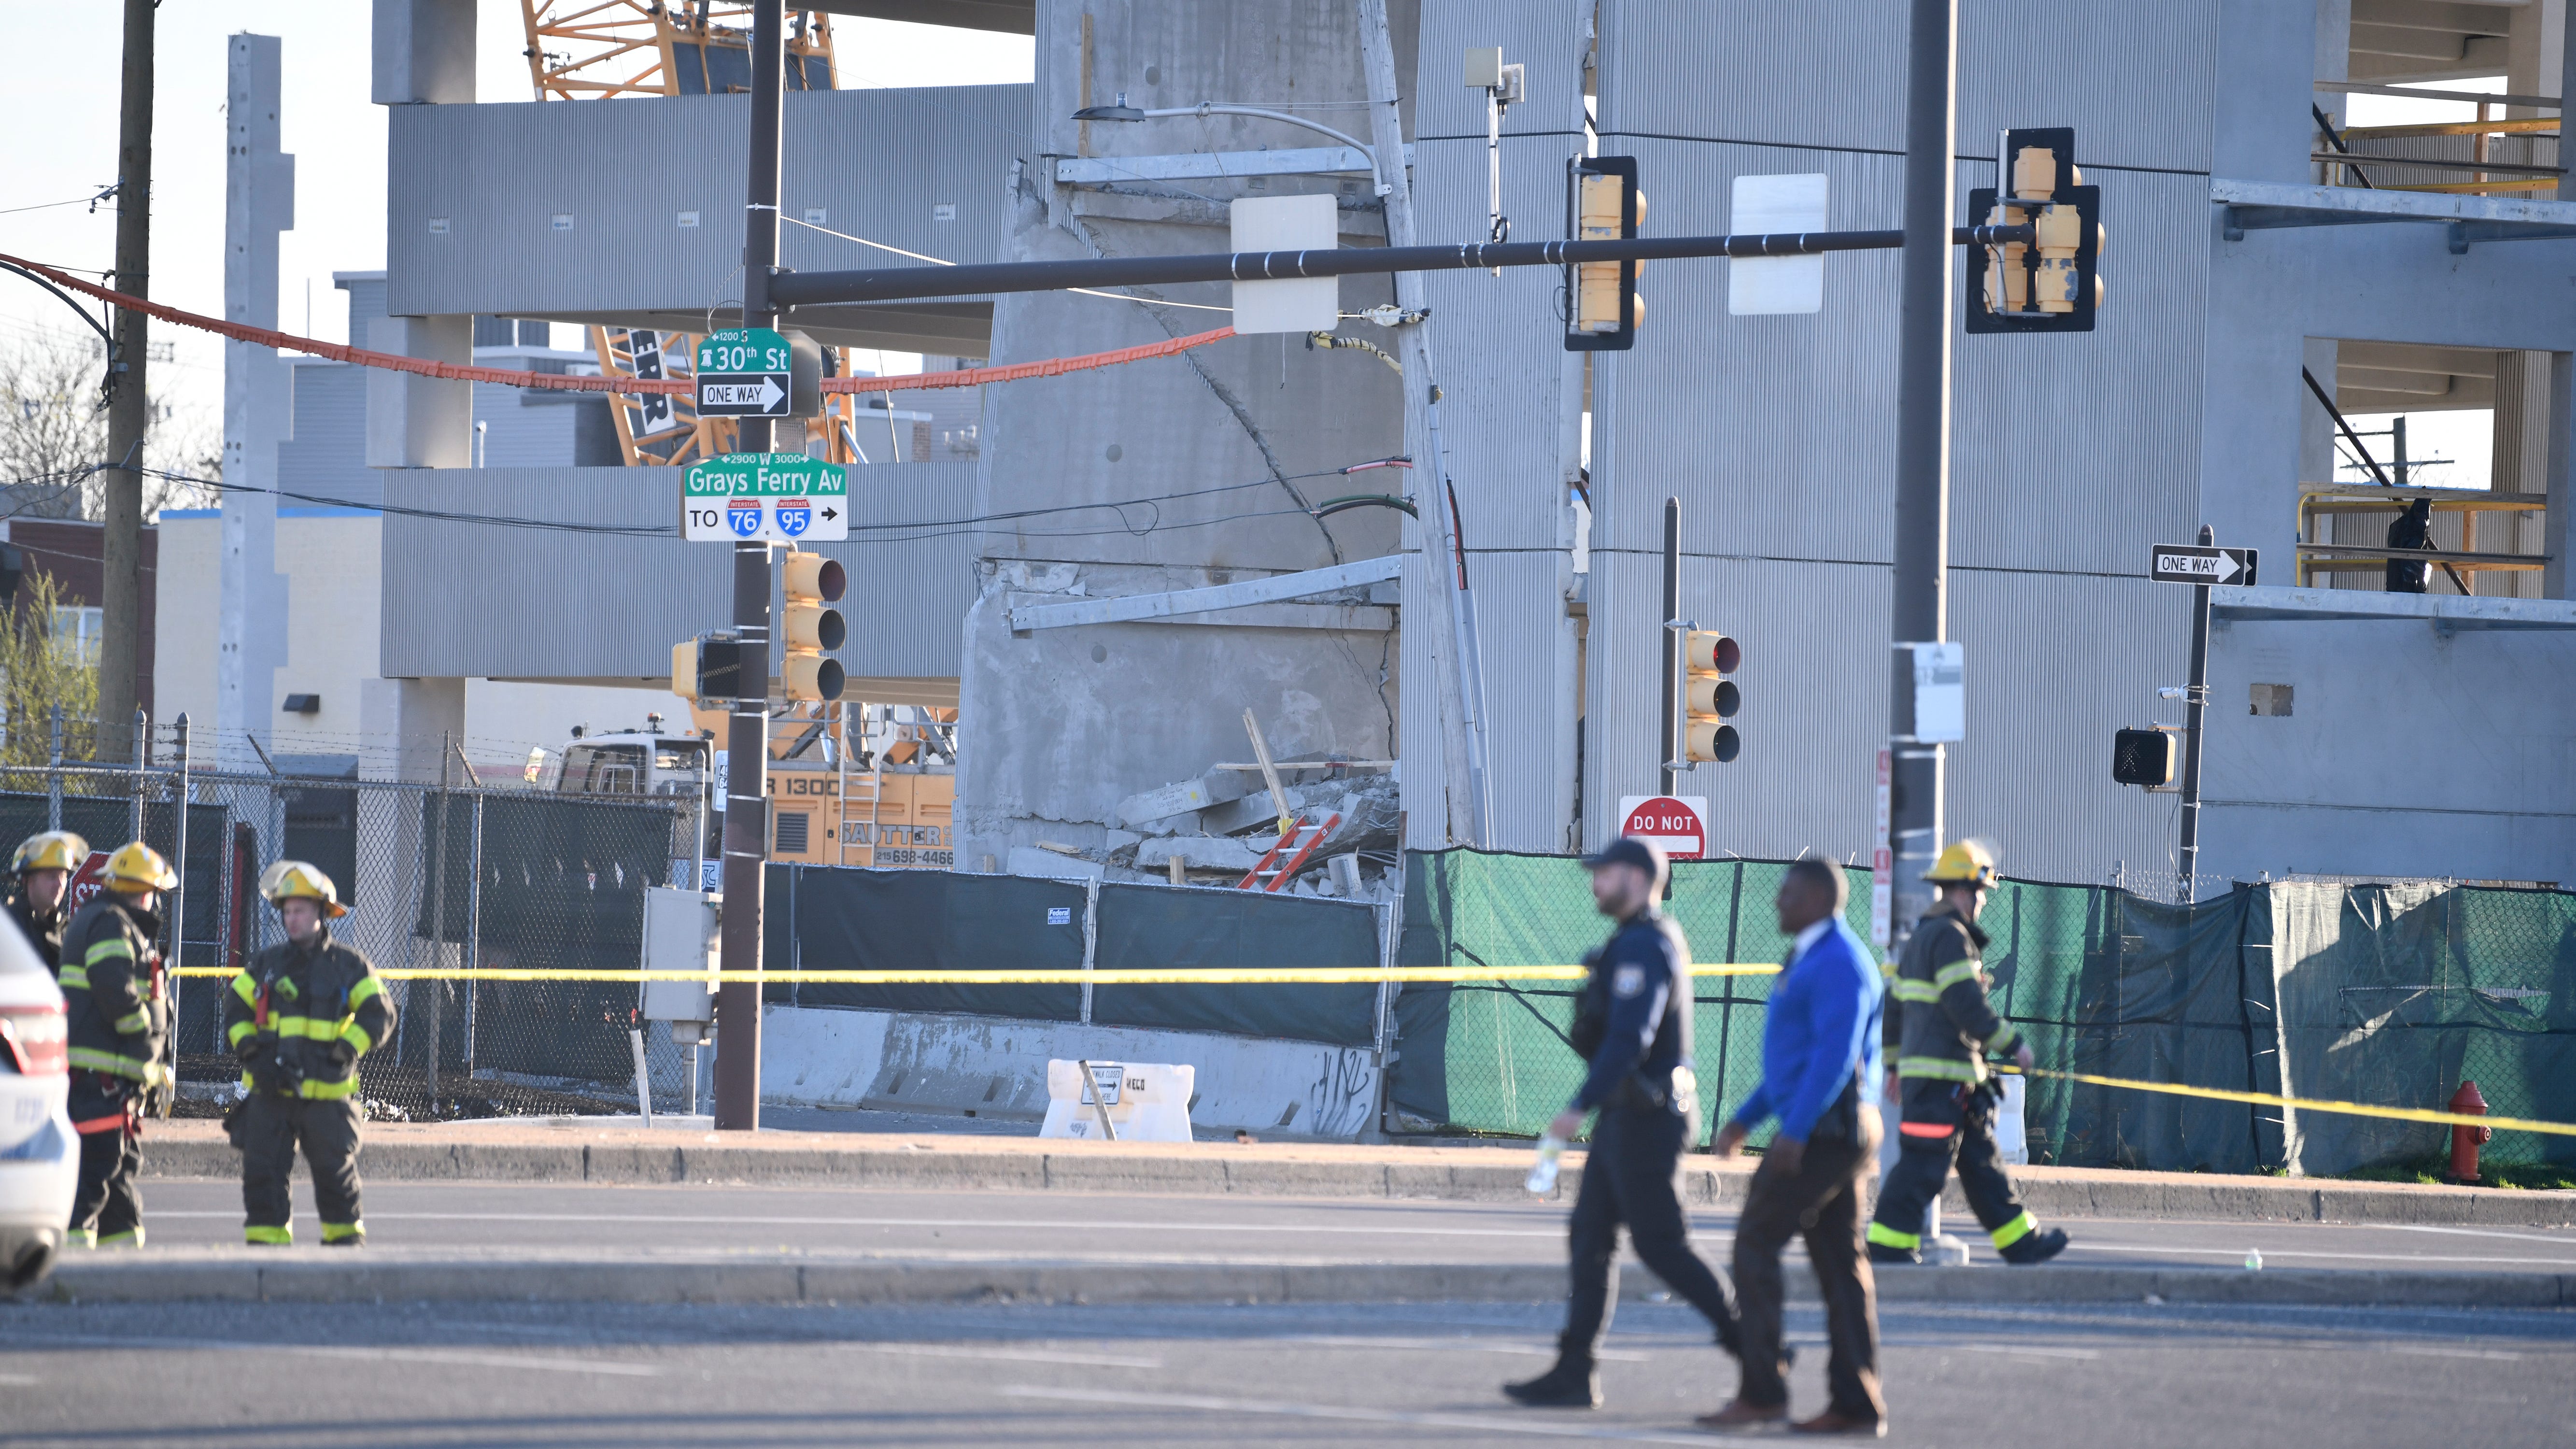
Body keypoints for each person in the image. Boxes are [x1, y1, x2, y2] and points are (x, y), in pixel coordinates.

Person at [1503, 836, 1739, 1409]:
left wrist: (1577, 1105)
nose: (1595, 884)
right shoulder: (1629, 942)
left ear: (1636, 878)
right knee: (1590, 1237)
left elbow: (1631, 1039)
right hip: (1627, 1115)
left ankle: (1758, 1346)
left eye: (1604, 874)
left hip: (1648, 1117)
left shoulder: (1646, 945)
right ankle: (1575, 1371)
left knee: (1661, 1246)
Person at [1702, 857, 1887, 1436]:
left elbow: (1835, 1059)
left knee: (1755, 1243)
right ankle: (1856, 1404)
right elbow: (1795, 1063)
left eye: (1788, 893)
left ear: (1819, 899)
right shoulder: (1810, 955)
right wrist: (1745, 1120)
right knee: (1841, 1266)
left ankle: (1763, 1392)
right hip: (1829, 1127)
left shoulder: (1839, 962)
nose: (1777, 901)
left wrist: (1796, 1131)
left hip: (1828, 1131)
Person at [1866, 839, 2068, 1269]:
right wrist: (2013, 1044)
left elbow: (1896, 1007)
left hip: (1948, 1080)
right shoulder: (1949, 937)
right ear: (1963, 890)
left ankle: (2021, 1243)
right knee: (1923, 1165)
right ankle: (1886, 1245)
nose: (1983, 902)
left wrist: (1894, 1065)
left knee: (1982, 1165)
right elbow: (1965, 1004)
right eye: (1981, 893)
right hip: (1941, 1081)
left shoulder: (1922, 938)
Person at [221, 861, 394, 1247]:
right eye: (287, 911)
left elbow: (380, 1013)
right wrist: (251, 1053)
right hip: (271, 1091)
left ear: (321, 912)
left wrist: (345, 1050)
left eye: (300, 910)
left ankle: (344, 1254)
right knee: (263, 1175)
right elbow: (235, 1008)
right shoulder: (266, 964)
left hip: (326, 1095)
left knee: (335, 1176)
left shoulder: (348, 966)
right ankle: (266, 1256)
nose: (292, 919)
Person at [59, 841, 177, 1249]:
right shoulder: (111, 924)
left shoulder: (109, 920)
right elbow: (116, 991)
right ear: (145, 891)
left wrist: (150, 1067)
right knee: (97, 1170)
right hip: (101, 1078)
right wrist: (144, 1039)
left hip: (112, 1078)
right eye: (155, 894)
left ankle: (124, 1262)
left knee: (119, 1173)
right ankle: (72, 1264)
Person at [5, 830, 87, 969]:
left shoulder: (68, 932)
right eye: (52, 876)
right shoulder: (8, 927)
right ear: (28, 880)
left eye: (63, 876)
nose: (59, 884)